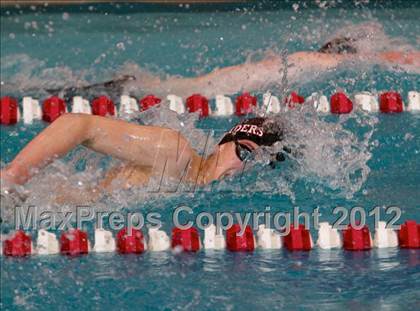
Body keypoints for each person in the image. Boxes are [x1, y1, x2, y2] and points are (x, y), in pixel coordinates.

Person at [0, 115, 285, 203]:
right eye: (244, 152)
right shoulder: (175, 153)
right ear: (224, 143)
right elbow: (79, 125)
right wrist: (13, 177)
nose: (241, 167)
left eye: (255, 163)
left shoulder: (198, 195)